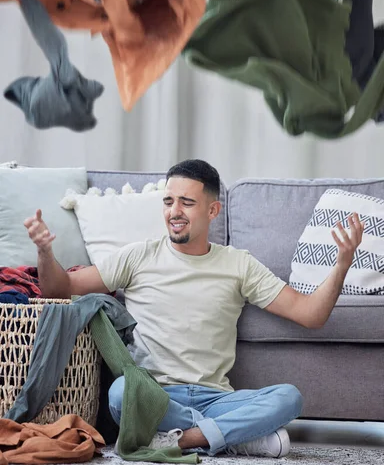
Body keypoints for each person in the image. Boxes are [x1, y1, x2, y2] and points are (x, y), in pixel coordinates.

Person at [25, 159, 364, 459]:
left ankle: (185, 439)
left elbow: (311, 314)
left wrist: (342, 264)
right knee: (120, 393)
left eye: (187, 203)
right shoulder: (138, 255)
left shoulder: (238, 264)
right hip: (154, 394)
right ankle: (233, 438)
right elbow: (60, 289)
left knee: (289, 398)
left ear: (212, 211)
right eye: (169, 202)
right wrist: (44, 251)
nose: (175, 212)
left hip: (216, 398)